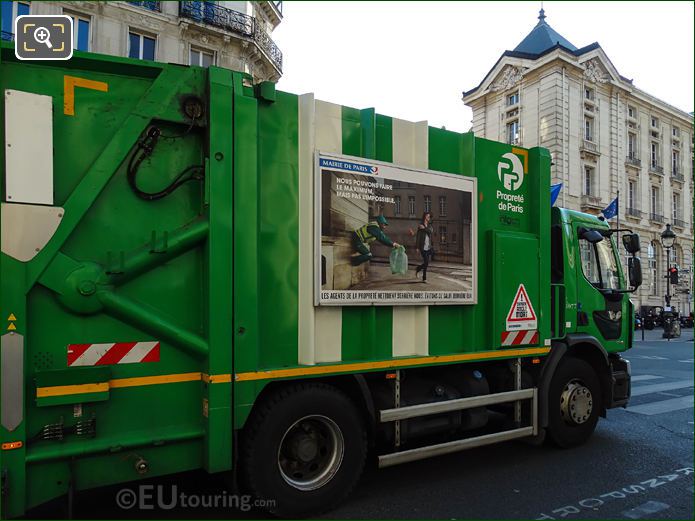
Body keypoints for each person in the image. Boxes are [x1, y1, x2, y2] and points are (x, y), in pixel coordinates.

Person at [415, 212, 434, 282]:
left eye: (429, 216)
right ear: (424, 217)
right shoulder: (420, 225)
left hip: (428, 247)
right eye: (427, 216)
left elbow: (430, 231)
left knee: (426, 263)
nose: (429, 217)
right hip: (422, 247)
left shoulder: (429, 225)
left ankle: (418, 269)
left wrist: (424, 228)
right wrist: (417, 247)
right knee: (426, 262)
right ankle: (424, 278)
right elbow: (418, 237)